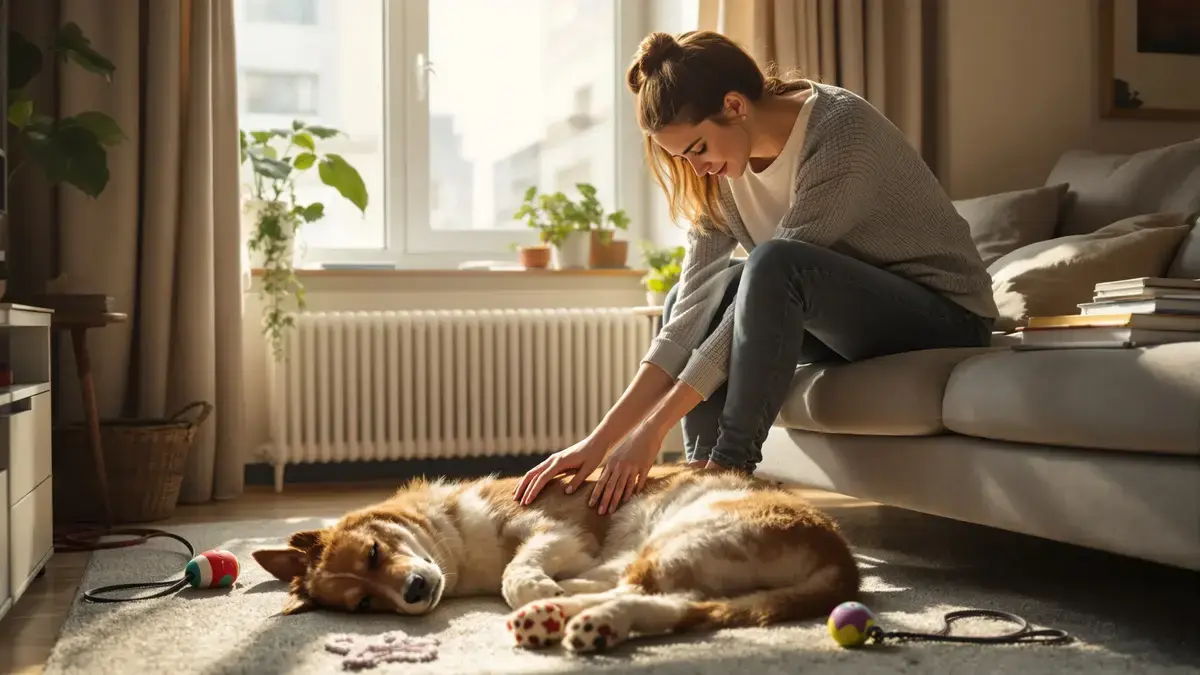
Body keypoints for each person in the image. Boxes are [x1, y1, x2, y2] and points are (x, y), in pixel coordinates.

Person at [513, 30, 997, 515]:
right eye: (683, 157)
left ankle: (729, 474)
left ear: (735, 105)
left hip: (941, 314)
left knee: (769, 263)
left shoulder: (840, 134)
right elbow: (691, 313)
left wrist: (651, 430)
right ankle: (699, 490)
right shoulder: (718, 178)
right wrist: (598, 443)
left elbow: (772, 281)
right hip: (840, 321)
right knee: (698, 289)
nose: (697, 168)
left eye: (698, 148)